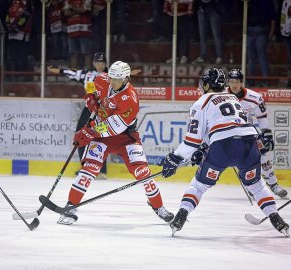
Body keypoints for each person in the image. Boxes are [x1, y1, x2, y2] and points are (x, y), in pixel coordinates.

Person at [159, 67, 289, 237]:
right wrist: (204, 148)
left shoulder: (201, 102)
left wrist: (174, 157)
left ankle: (180, 217)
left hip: (222, 148)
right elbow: (229, 125)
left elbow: (193, 140)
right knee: (257, 186)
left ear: (206, 85)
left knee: (199, 185)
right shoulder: (232, 98)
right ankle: (276, 218)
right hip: (249, 145)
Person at [57, 60, 174, 225]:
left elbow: (113, 128)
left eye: (117, 79)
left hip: (125, 137)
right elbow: (90, 86)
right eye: (111, 78)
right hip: (101, 137)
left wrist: (88, 131)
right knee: (89, 169)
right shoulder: (103, 79)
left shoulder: (130, 99)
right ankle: (70, 206)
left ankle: (158, 207)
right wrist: (90, 99)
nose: (112, 82)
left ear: (126, 78)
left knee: (143, 173)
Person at [227, 68, 288, 199]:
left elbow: (261, 117)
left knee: (264, 157)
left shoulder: (254, 97)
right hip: (228, 134)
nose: (234, 85)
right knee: (241, 162)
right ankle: (251, 186)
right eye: (231, 81)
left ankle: (274, 184)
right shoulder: (221, 97)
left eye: (236, 81)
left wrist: (266, 134)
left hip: (249, 133)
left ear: (242, 82)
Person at [48, 51, 109, 179]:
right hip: (89, 109)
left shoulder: (111, 76)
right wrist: (56, 70)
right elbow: (69, 72)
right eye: (98, 62)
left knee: (101, 138)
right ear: (93, 63)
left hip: (104, 110)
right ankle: (85, 167)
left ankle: (102, 170)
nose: (100, 65)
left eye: (102, 62)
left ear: (105, 63)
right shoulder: (87, 74)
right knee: (80, 136)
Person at [246, 0, 275, 86]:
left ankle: (265, 80)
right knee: (253, 57)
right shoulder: (249, 2)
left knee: (260, 57)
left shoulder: (266, 2)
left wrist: (271, 33)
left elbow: (272, 19)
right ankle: (254, 80)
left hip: (260, 31)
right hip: (251, 30)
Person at [192, 0, 223, 64]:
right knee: (202, 34)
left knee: (216, 34)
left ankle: (219, 56)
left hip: (214, 9)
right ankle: (203, 56)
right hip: (201, 9)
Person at [280, 0, 291, 87]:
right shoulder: (286, 1)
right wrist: (282, 30)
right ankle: (290, 80)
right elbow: (283, 16)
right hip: (287, 33)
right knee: (289, 59)